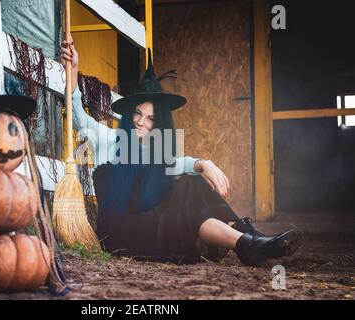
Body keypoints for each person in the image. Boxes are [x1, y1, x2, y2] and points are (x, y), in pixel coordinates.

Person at [60, 40, 300, 266]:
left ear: (159, 124)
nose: (141, 122)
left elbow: (179, 163)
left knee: (190, 186)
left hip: (149, 226)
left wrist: (204, 164)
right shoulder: (108, 138)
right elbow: (78, 116)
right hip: (118, 231)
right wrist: (73, 71)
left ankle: (248, 243)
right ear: (129, 114)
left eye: (150, 118)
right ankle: (250, 238)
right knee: (187, 188)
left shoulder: (156, 153)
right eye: (137, 114)